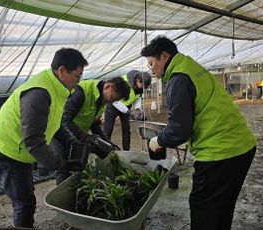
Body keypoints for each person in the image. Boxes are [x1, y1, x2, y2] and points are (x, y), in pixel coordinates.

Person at [141, 36, 256, 230]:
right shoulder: (192, 67)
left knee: (203, 207)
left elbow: (179, 130)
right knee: (223, 206)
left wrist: (157, 141)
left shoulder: (178, 78)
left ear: (164, 56)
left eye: (152, 63)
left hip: (220, 152)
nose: (151, 69)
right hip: (242, 146)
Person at [0, 48, 88, 228]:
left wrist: (72, 141)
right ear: (62, 71)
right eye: (77, 77)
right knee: (24, 203)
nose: (78, 82)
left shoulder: (57, 86)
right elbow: (33, 141)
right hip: (7, 150)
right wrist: (61, 164)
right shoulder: (39, 94)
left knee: (26, 195)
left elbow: (54, 123)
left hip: (19, 151)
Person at [54, 76, 130, 185]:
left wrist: (108, 143)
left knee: (78, 167)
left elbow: (94, 125)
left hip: (76, 137)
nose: (111, 102)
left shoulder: (103, 100)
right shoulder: (81, 92)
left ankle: (75, 195)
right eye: (113, 98)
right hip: (61, 134)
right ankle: (61, 198)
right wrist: (85, 138)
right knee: (64, 170)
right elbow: (64, 120)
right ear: (108, 86)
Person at [103, 70, 151, 150]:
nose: (143, 87)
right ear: (137, 80)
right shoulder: (124, 82)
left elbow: (137, 97)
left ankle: (126, 151)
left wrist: (138, 109)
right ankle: (105, 150)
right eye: (143, 85)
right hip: (113, 104)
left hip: (126, 107)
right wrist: (129, 112)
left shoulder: (140, 86)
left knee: (126, 130)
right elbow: (115, 100)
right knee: (108, 130)